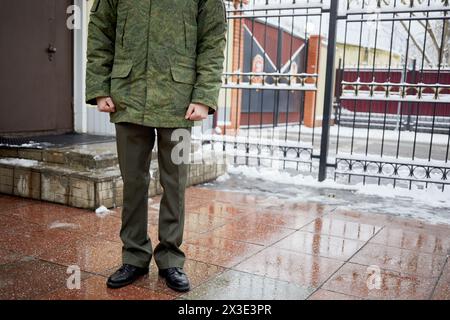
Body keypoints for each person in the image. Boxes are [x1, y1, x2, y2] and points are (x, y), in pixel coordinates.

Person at [85, 0, 227, 292]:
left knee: (174, 181)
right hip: (128, 96)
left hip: (179, 101)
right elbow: (101, 31)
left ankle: (171, 259)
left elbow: (212, 39)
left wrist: (204, 95)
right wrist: (99, 88)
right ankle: (134, 256)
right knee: (133, 181)